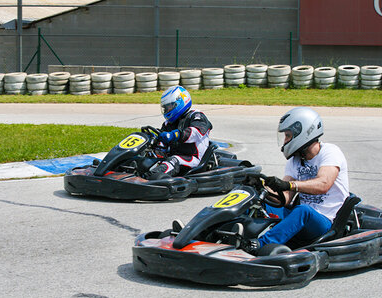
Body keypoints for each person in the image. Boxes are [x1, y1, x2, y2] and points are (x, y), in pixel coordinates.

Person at [235, 106, 350, 254]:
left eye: (288, 136)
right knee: (253, 199)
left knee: (302, 211)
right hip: (300, 215)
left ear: (304, 132)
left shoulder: (330, 152)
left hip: (325, 221)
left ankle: (261, 244)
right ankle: (231, 231)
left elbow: (324, 184)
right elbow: (285, 199)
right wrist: (259, 187)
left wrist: (290, 184)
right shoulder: (295, 160)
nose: (285, 140)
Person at [143, 85, 213, 180]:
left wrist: (175, 135)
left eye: (169, 107)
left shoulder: (196, 116)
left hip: (194, 158)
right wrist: (155, 146)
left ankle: (149, 179)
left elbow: (196, 133)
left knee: (173, 160)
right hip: (175, 156)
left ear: (179, 103)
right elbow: (163, 144)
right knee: (147, 156)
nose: (167, 110)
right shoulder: (168, 123)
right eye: (165, 108)